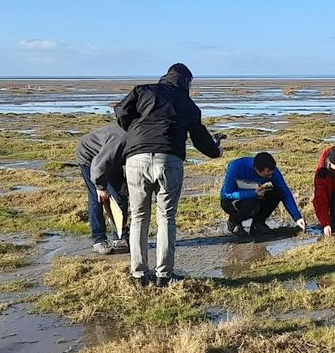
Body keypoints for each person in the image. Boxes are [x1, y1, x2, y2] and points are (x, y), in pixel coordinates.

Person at [115, 63, 222, 288]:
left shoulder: (142, 90)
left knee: (138, 217)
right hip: (169, 159)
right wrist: (216, 151)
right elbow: (200, 138)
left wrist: (135, 131)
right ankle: (164, 275)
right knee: (166, 217)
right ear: (187, 82)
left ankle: (138, 275)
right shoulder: (188, 104)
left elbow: (121, 111)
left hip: (136, 158)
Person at [220, 152, 307, 237]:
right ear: (257, 170)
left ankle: (258, 224)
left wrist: (297, 218)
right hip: (231, 201)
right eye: (267, 175)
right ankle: (234, 222)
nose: (270, 177)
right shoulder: (236, 167)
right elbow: (226, 194)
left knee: (278, 192)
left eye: (271, 174)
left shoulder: (272, 172)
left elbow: (286, 193)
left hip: (255, 197)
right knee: (252, 203)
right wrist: (253, 193)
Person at [76, 123, 129, 255]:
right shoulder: (121, 138)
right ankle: (99, 240)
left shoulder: (141, 137)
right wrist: (100, 187)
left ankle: (120, 237)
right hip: (90, 157)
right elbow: (99, 164)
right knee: (97, 198)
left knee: (120, 195)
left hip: (111, 159)